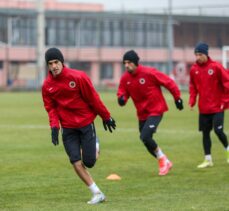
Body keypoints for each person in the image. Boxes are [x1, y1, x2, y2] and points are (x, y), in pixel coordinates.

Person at [42, 47, 116, 204]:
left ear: (62, 62)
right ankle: (97, 193)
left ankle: (95, 144)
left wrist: (106, 116)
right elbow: (51, 108)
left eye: (56, 62)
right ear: (47, 66)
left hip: (85, 124)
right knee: (75, 161)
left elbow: (93, 98)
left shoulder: (78, 77)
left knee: (89, 162)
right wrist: (54, 127)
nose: (54, 66)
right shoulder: (47, 86)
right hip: (68, 128)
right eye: (50, 63)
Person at [117, 50, 183, 176]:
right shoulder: (125, 78)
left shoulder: (149, 72)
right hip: (142, 113)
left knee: (145, 136)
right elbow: (122, 92)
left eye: (129, 62)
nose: (126, 65)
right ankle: (165, 160)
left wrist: (177, 98)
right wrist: (121, 99)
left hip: (156, 109)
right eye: (124, 63)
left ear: (136, 62)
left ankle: (163, 160)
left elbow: (168, 82)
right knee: (145, 139)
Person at [189, 42, 229, 168]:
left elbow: (227, 83)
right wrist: (192, 100)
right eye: (196, 54)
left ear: (206, 54)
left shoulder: (216, 67)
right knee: (205, 133)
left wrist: (225, 101)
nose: (197, 57)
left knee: (218, 131)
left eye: (200, 54)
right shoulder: (193, 69)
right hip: (204, 108)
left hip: (218, 107)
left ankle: (228, 151)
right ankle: (208, 159)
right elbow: (193, 87)